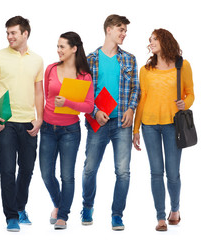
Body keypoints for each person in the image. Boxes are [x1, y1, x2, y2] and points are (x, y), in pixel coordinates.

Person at [81, 14, 140, 231]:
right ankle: (87, 207)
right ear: (109, 29)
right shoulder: (90, 60)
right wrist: (95, 111)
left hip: (122, 125)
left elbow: (136, 89)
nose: (124, 34)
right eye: (121, 29)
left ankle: (117, 215)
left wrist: (131, 109)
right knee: (89, 169)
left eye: (125, 31)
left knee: (123, 171)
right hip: (98, 123)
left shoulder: (129, 59)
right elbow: (84, 95)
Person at [132, 28, 194, 231]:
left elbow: (190, 93)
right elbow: (142, 101)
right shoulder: (145, 70)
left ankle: (174, 210)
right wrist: (136, 129)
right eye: (149, 40)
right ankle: (160, 217)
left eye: (154, 39)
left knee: (173, 173)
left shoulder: (182, 65)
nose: (150, 43)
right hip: (150, 125)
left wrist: (186, 103)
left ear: (165, 40)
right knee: (156, 172)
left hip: (172, 125)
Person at [0, 16, 44, 232]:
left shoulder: (37, 59)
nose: (9, 36)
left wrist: (40, 118)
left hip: (29, 121)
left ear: (25, 34)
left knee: (27, 169)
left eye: (13, 33)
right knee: (8, 169)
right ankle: (11, 216)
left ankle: (20, 208)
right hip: (5, 121)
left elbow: (39, 91)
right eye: (7, 33)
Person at [39, 32, 94, 230]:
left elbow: (89, 106)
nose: (58, 50)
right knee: (46, 173)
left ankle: (62, 215)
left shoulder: (84, 75)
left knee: (67, 176)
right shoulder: (51, 69)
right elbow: (46, 96)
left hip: (70, 130)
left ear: (74, 49)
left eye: (62, 46)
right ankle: (59, 202)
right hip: (47, 128)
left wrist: (68, 102)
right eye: (58, 46)